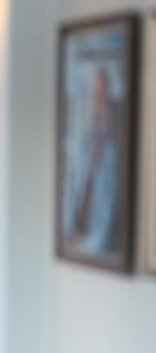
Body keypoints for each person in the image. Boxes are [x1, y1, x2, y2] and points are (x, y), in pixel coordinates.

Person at [61, 68, 120, 255]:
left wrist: (87, 246)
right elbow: (73, 187)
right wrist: (69, 234)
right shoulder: (85, 141)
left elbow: (108, 208)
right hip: (74, 236)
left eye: (103, 97)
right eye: (95, 96)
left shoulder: (115, 149)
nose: (98, 103)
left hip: (97, 245)